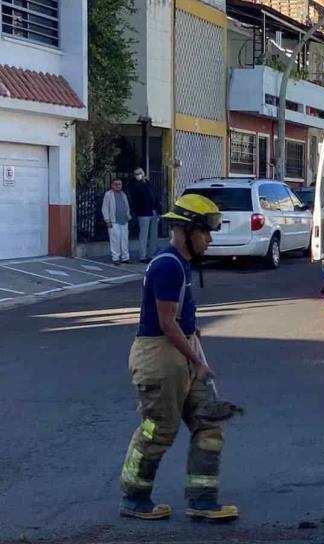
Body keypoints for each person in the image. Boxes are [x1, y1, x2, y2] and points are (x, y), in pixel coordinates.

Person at [117, 194, 239, 521]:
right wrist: (198, 362)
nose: (210, 239)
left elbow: (184, 324)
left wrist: (197, 356)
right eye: (206, 233)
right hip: (160, 357)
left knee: (209, 423)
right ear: (187, 231)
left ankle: (202, 501)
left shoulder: (180, 264)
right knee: (158, 430)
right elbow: (166, 322)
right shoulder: (168, 265)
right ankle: (134, 498)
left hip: (181, 354)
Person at [128, 168, 160, 263]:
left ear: (143, 173)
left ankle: (152, 254)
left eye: (139, 173)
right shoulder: (135, 185)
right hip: (143, 213)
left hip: (153, 212)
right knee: (144, 235)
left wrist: (158, 210)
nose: (138, 175)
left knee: (154, 235)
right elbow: (136, 198)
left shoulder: (148, 183)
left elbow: (155, 196)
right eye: (136, 174)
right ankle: (143, 256)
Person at [102, 178, 132, 265]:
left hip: (124, 220)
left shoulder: (123, 194)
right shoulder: (108, 195)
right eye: (116, 184)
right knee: (115, 240)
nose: (118, 186)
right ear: (112, 185)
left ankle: (125, 257)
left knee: (124, 239)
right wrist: (107, 220)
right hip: (113, 221)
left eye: (120, 184)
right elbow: (105, 208)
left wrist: (128, 216)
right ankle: (116, 258)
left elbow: (127, 206)